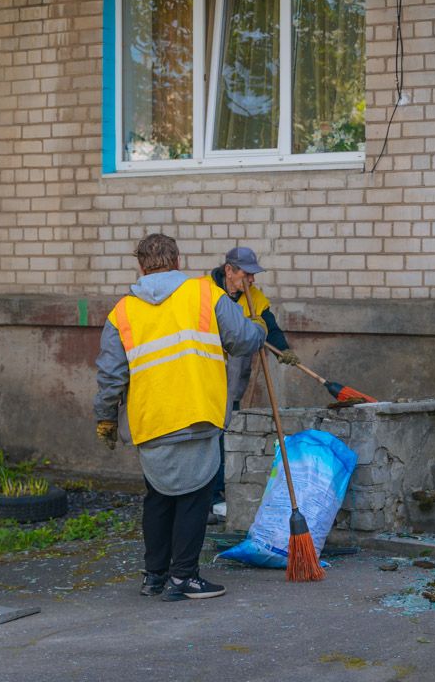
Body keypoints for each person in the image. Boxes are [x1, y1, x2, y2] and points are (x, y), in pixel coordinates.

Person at [95, 233, 265, 602]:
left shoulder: (122, 311)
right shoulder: (204, 294)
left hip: (151, 420)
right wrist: (259, 330)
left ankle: (154, 576)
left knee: (158, 497)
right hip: (196, 414)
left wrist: (106, 418)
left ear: (141, 265)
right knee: (194, 497)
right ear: (177, 260)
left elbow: (110, 375)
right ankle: (184, 577)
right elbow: (241, 339)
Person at [209, 247, 298, 515]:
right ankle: (210, 498)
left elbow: (269, 327)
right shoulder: (203, 291)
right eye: (247, 274)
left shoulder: (254, 298)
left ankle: (218, 495)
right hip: (205, 375)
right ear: (229, 271)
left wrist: (284, 351)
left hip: (232, 381)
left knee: (225, 434)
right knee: (209, 437)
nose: (252, 281)